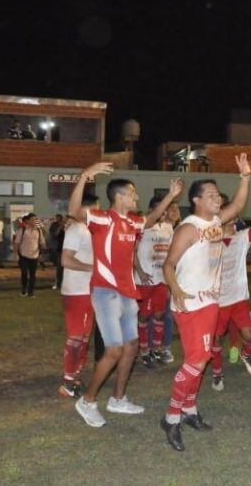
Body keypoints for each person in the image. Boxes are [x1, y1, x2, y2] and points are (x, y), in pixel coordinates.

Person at [68, 161, 183, 428]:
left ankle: (118, 399)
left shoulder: (132, 222)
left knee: (131, 347)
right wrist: (85, 175)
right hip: (106, 292)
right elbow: (74, 210)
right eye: (132, 193)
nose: (137, 197)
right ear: (119, 197)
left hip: (127, 293)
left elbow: (152, 219)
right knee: (114, 350)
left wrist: (171, 195)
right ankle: (87, 401)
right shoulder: (102, 218)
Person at [161, 154, 251, 451]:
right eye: (211, 195)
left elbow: (237, 206)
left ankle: (190, 410)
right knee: (196, 361)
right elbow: (168, 265)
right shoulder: (188, 228)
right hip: (190, 304)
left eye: (217, 195)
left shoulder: (213, 222)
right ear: (197, 200)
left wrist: (245, 177)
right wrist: (175, 290)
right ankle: (171, 418)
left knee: (198, 362)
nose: (218, 198)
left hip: (210, 303)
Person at [210, 182, 251, 390]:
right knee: (215, 339)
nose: (233, 219)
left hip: (239, 298)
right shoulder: (209, 239)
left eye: (234, 216)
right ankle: (217, 372)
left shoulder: (241, 238)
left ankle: (246, 353)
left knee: (249, 335)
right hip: (217, 300)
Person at [58, 194, 99, 398]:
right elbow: (66, 259)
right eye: (93, 209)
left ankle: (74, 377)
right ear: (83, 209)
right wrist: (93, 268)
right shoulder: (77, 229)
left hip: (86, 291)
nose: (96, 213)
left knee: (83, 338)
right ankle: (67, 381)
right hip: (77, 292)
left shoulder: (86, 229)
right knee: (76, 338)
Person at [134, 199, 178, 368]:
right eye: (161, 210)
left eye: (165, 211)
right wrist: (139, 271)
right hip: (144, 280)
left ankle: (156, 348)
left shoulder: (168, 228)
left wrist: (170, 278)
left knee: (159, 314)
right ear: (153, 210)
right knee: (144, 315)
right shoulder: (142, 226)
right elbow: (132, 250)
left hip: (161, 279)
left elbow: (172, 254)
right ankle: (144, 350)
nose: (164, 214)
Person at [13, 214, 46, 298]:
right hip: (23, 255)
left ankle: (31, 292)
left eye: (35, 219)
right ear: (28, 221)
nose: (35, 221)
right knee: (24, 273)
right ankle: (24, 289)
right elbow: (17, 242)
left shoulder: (38, 230)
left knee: (33, 275)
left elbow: (42, 243)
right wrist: (16, 254)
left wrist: (42, 253)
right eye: (33, 219)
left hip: (34, 256)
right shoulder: (22, 230)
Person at [49, 214, 66, 290]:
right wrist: (60, 227)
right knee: (59, 267)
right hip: (59, 248)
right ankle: (58, 283)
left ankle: (65, 283)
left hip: (68, 249)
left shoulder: (68, 226)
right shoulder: (55, 225)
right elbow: (55, 234)